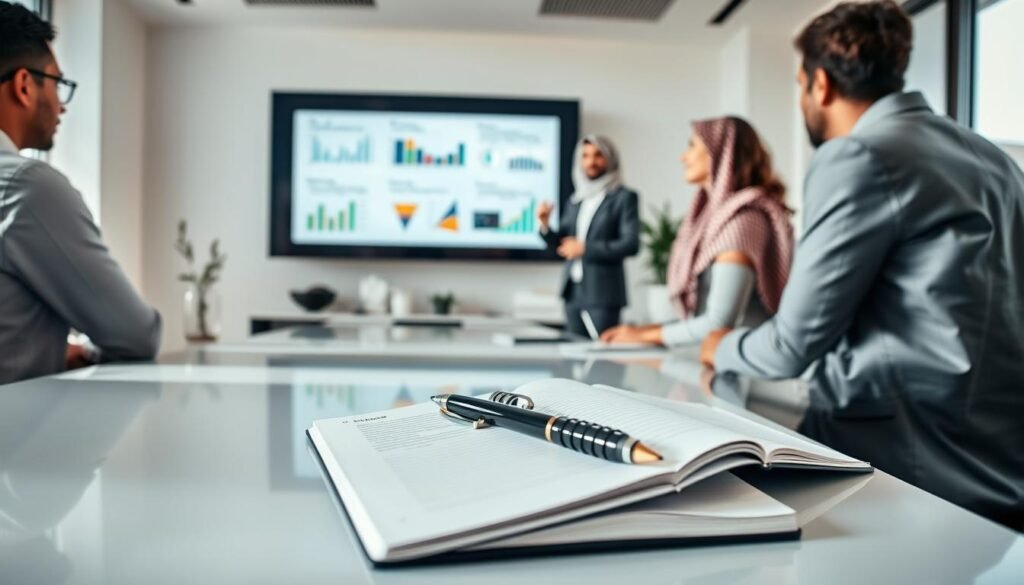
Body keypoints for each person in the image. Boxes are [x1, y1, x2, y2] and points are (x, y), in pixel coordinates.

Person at [701, 0, 1024, 530]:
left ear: (820, 85)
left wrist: (722, 345)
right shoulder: (993, 158)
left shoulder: (858, 156)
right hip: (998, 457)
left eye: (800, 84)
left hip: (902, 462)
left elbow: (791, 346)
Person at [0, 2, 161, 385]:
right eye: (57, 83)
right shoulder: (27, 186)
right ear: (24, 85)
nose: (61, 106)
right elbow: (137, 335)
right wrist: (84, 351)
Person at [601, 117, 793, 347]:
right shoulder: (714, 219)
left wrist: (644, 337)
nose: (683, 157)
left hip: (748, 375)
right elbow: (703, 316)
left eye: (692, 146)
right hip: (720, 361)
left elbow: (719, 322)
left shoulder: (743, 221)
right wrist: (641, 330)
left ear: (720, 152)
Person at [538, 135, 639, 338]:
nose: (591, 161)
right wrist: (545, 225)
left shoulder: (623, 198)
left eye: (598, 155)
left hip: (603, 293)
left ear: (610, 158)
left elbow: (630, 244)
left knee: (604, 357)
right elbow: (564, 245)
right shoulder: (575, 200)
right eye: (585, 156)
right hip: (573, 292)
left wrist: (585, 248)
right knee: (573, 355)